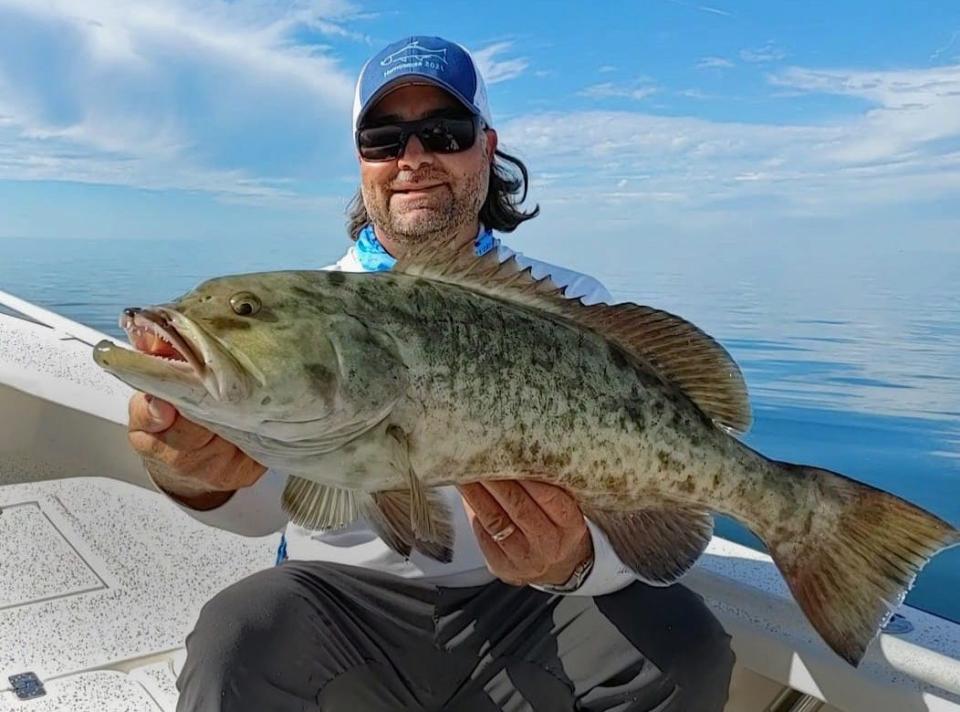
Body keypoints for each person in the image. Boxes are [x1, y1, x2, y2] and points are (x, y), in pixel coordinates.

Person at [127, 35, 735, 712]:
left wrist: (573, 561)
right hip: (340, 605)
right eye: (385, 139)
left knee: (686, 647)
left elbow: (667, 521)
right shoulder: (304, 317)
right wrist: (191, 473)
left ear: (487, 145)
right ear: (362, 163)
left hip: (528, 608)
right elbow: (261, 503)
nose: (412, 158)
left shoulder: (574, 310)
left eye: (444, 132)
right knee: (232, 643)